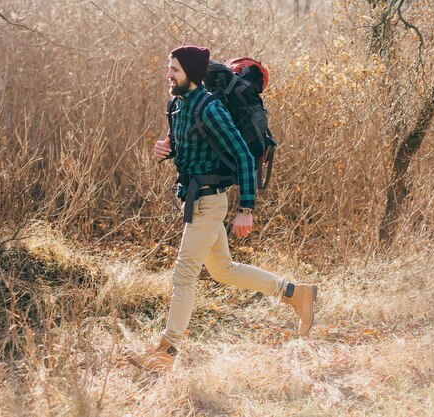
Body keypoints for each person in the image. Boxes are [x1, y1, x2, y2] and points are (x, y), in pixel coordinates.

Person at [127, 45, 318, 371]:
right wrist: (166, 148)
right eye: (169, 68)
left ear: (192, 73)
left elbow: (244, 156)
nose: (169, 74)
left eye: (175, 69)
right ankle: (295, 293)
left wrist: (246, 208)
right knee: (222, 270)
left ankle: (166, 352)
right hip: (193, 199)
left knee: (184, 274)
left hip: (210, 201)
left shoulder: (211, 107)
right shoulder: (176, 105)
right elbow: (185, 144)